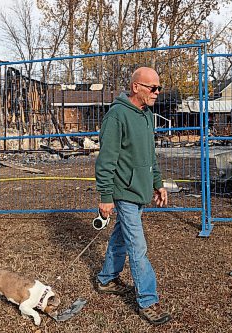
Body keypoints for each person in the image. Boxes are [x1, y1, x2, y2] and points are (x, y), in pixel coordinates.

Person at [94, 66, 171, 325]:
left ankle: (106, 279)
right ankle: (148, 300)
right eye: (153, 88)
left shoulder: (147, 115)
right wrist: (106, 196)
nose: (157, 92)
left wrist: (158, 183)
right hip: (124, 193)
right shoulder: (117, 116)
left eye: (159, 88)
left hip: (139, 191)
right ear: (136, 87)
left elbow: (149, 154)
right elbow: (106, 161)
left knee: (121, 237)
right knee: (138, 247)